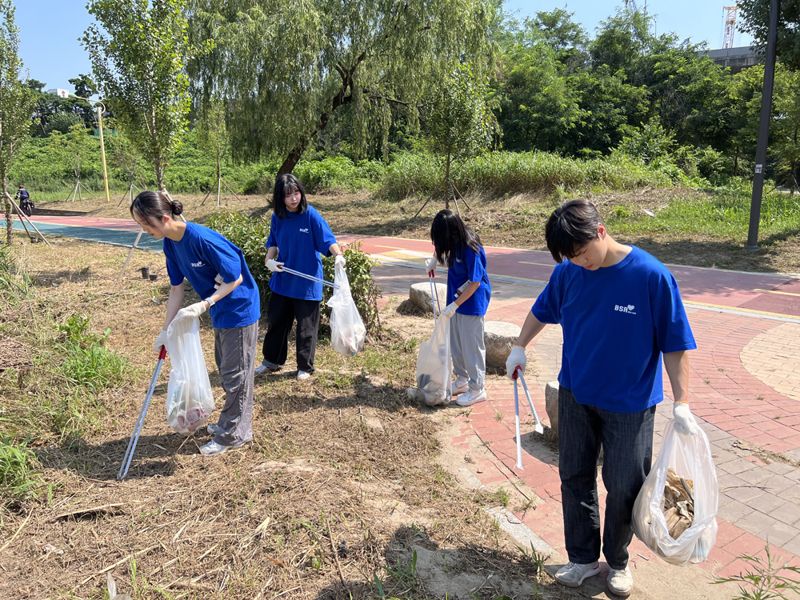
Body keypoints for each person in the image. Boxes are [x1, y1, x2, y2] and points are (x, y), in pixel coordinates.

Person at [504, 199, 699, 598]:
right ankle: (582, 558)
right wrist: (519, 345)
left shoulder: (650, 276)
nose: (581, 263)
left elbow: (676, 344)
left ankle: (619, 561)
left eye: (583, 253)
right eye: (571, 258)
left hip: (630, 403)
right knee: (574, 476)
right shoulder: (568, 273)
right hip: (577, 393)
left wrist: (682, 403)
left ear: (601, 231)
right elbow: (543, 310)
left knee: (624, 484)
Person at [130, 191, 260, 456]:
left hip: (239, 308)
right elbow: (176, 289)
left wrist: (205, 303)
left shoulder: (201, 239)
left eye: (146, 225)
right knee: (227, 369)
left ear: (164, 218)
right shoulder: (170, 243)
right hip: (220, 311)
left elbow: (234, 277)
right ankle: (230, 423)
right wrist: (166, 330)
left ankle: (234, 434)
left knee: (238, 374)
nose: (144, 230)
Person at [257, 174, 344, 380]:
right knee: (277, 323)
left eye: (296, 193)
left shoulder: (310, 215)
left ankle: (305, 366)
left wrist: (338, 255)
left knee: (306, 327)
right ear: (281, 198)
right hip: (283, 279)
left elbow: (328, 240)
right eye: (288, 195)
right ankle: (272, 361)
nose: (294, 198)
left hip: (307, 282)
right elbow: (273, 243)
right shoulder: (277, 217)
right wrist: (268, 261)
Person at [425, 209, 492, 407]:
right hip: (455, 299)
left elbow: (475, 282)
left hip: (472, 302)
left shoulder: (470, 247)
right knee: (457, 343)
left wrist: (455, 305)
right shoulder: (453, 241)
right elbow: (440, 247)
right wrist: (434, 260)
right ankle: (462, 380)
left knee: (471, 346)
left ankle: (477, 388)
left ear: (451, 233)